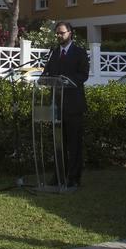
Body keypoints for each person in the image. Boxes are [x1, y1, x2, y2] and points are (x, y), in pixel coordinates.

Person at [41, 22, 89, 190]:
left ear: (70, 33)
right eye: (57, 33)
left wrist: (66, 81)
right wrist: (43, 79)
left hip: (74, 107)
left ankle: (73, 178)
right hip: (57, 105)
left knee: (74, 144)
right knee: (58, 143)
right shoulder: (54, 53)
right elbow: (46, 73)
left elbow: (83, 75)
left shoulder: (80, 53)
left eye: (61, 33)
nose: (59, 36)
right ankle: (58, 174)